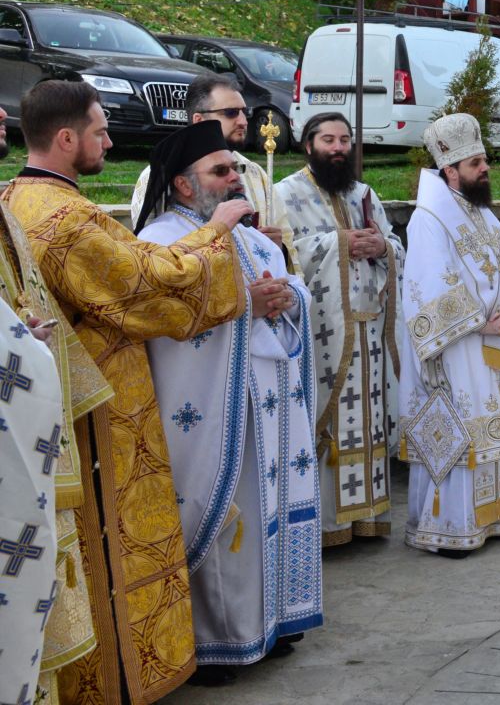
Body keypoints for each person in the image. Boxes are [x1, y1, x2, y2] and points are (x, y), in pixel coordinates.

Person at [1, 77, 251, 702]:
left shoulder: (15, 199)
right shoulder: (64, 218)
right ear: (65, 138)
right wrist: (216, 229)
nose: (111, 140)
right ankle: (114, 681)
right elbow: (149, 282)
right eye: (99, 130)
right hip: (96, 415)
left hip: (66, 401)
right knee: (107, 542)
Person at [138, 122, 322, 676]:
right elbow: (171, 321)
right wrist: (247, 304)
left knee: (270, 512)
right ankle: (219, 640)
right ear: (185, 185)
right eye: (221, 171)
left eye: (234, 168)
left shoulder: (249, 235)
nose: (235, 178)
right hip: (216, 410)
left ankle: (274, 620)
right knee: (226, 519)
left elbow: (294, 290)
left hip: (268, 407)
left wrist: (288, 296)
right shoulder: (160, 242)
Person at [0, 104, 112, 705]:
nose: (2, 112)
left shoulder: (6, 204)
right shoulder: (52, 208)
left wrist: (26, 338)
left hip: (29, 426)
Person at [398, 114, 500, 554]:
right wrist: (481, 322)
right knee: (459, 432)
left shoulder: (485, 217)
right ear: (450, 170)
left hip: (493, 342)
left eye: (483, 160)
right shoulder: (429, 219)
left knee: (491, 427)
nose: (484, 169)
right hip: (457, 346)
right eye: (474, 164)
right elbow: (427, 285)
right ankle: (450, 527)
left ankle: (495, 518)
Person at [277, 112, 403, 546]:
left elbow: (395, 246)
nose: (337, 148)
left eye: (345, 139)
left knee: (369, 426)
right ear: (308, 144)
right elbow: (286, 255)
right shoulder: (285, 194)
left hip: (370, 332)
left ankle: (368, 518)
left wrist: (382, 246)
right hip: (323, 332)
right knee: (329, 424)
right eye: (328, 139)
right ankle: (329, 526)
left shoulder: (363, 193)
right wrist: (337, 243)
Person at [130, 73, 288, 250]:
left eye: (245, 112)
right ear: (198, 120)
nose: (243, 121)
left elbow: (285, 240)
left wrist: (278, 250)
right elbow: (149, 255)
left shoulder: (255, 172)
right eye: (231, 113)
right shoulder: (162, 173)